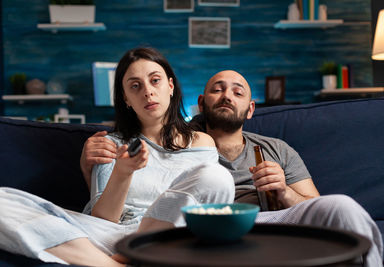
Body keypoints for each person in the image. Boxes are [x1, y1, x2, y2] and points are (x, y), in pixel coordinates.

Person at [81, 70, 384, 266]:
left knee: (343, 207)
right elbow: (143, 141)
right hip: (203, 230)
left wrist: (285, 192)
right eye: (218, 90)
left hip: (268, 222)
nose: (227, 95)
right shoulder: (181, 142)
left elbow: (314, 207)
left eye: (238, 92)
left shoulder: (277, 149)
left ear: (251, 109)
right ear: (201, 103)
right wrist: (89, 159)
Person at [0, 48, 235, 267]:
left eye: (155, 80)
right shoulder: (111, 144)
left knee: (217, 177)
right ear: (125, 98)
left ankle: (133, 252)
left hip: (172, 234)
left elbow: (211, 202)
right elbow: (103, 219)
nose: (147, 91)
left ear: (170, 86)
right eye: (135, 86)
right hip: (111, 237)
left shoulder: (202, 142)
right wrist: (123, 172)